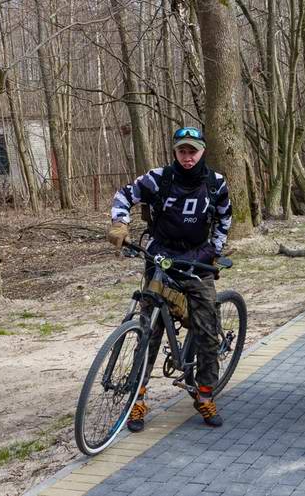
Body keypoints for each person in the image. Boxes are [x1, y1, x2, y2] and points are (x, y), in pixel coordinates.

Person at [107, 126, 232, 429]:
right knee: (149, 330)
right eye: (182, 151)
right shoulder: (157, 178)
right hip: (160, 257)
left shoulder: (215, 183)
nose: (188, 157)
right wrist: (120, 224)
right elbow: (123, 195)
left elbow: (225, 217)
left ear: (202, 151)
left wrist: (214, 251)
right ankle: (137, 398)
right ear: (175, 152)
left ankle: (204, 395)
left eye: (193, 151)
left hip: (196, 260)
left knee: (206, 328)